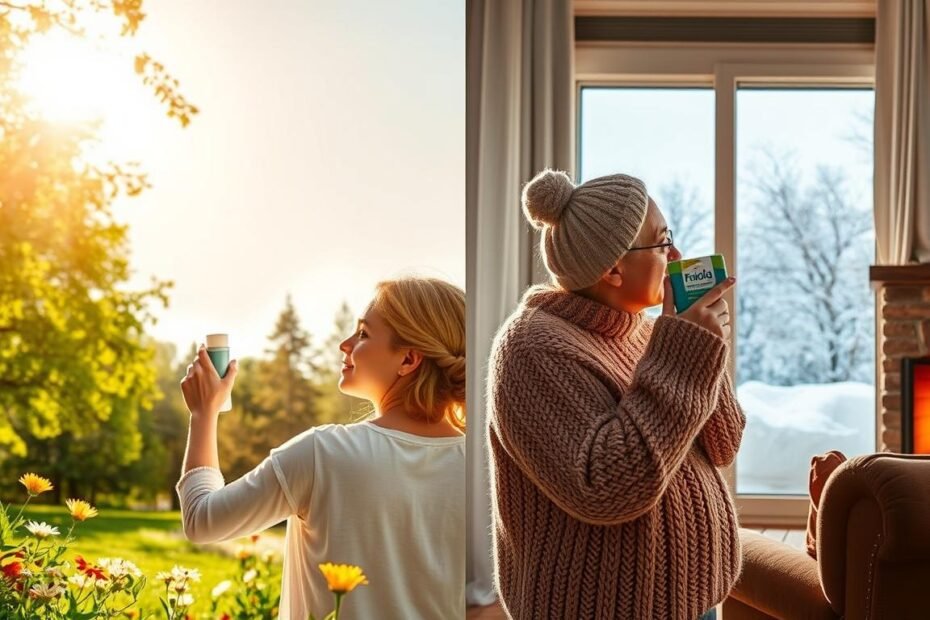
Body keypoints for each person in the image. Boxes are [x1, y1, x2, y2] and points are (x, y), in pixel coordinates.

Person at [486, 169, 745, 620]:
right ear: (613, 269)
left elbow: (723, 445)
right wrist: (684, 353)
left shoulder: (648, 334)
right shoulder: (532, 347)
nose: (677, 255)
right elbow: (607, 487)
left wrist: (704, 349)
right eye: (662, 242)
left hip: (696, 602)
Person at [176, 277, 466, 619]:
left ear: (408, 360)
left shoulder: (325, 452)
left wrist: (204, 413)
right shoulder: (485, 468)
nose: (345, 344)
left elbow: (202, 520)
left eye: (363, 334)